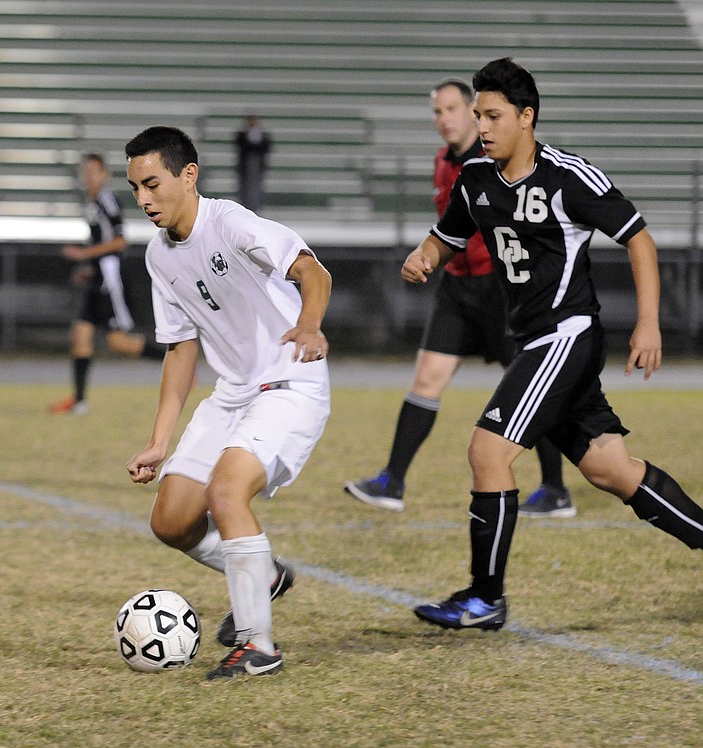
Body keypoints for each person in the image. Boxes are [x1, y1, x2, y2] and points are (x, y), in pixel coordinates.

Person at [406, 57, 703, 631]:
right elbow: (446, 238)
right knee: (612, 470)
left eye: (494, 116)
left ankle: (484, 598)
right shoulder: (475, 180)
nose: (483, 126)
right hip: (535, 342)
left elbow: (638, 238)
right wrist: (425, 256)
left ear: (527, 117)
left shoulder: (568, 176)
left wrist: (648, 323)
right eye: (478, 115)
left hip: (566, 337)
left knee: (488, 451)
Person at [123, 126, 331, 680]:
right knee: (171, 522)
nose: (143, 200)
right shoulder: (158, 255)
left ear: (188, 175)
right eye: (135, 189)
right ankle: (263, 575)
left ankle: (258, 646)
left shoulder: (231, 223)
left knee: (226, 491)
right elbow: (180, 351)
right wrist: (159, 440)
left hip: (290, 384)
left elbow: (313, 269)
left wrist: (308, 324)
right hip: (233, 394)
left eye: (152, 184)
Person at [344, 79, 573, 517]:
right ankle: (392, 481)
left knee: (529, 388)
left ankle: (556, 489)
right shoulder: (443, 161)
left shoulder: (496, 160)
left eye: (451, 109)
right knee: (426, 378)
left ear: (472, 111)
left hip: (502, 290)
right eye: (437, 111)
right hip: (457, 288)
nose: (443, 119)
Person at [49, 153, 146, 415]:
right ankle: (79, 401)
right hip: (97, 276)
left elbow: (119, 241)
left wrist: (83, 256)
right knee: (80, 336)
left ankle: (179, 363)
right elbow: (100, 243)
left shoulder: (106, 200)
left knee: (119, 343)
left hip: (109, 278)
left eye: (94, 171)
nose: (89, 176)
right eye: (86, 171)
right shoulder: (92, 202)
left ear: (104, 175)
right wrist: (87, 268)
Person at [234, 114, 271, 213]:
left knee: (258, 188)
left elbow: (266, 147)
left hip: (257, 166)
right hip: (245, 167)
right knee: (244, 188)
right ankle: (244, 208)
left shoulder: (263, 134)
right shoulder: (242, 134)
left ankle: (257, 208)